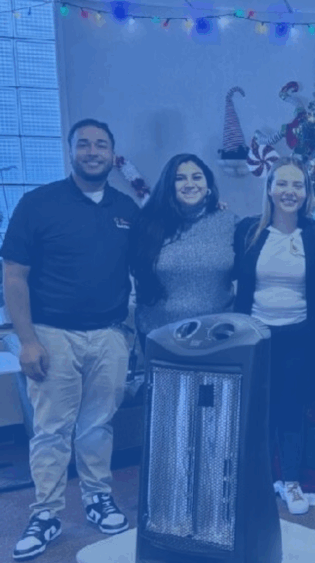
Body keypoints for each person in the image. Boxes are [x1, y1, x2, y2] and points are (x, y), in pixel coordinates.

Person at [2, 119, 137, 560]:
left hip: (110, 335)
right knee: (52, 430)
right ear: (72, 152)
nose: (92, 151)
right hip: (52, 335)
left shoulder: (125, 208)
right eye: (84, 144)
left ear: (112, 155)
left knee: (98, 425)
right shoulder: (37, 203)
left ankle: (98, 498)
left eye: (101, 144)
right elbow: (14, 276)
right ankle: (46, 513)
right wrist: (26, 341)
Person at [233, 157, 315, 516]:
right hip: (256, 335)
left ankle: (290, 481)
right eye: (283, 184)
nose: (290, 191)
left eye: (297, 185)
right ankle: (256, 482)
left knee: (290, 409)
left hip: (299, 335)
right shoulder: (247, 231)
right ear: (269, 189)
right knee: (255, 412)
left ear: (306, 193)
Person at [129, 154, 238, 347]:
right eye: (180, 178)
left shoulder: (229, 223)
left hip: (216, 338)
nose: (190, 184)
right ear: (168, 185)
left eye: (197, 177)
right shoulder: (147, 224)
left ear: (208, 183)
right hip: (160, 335)